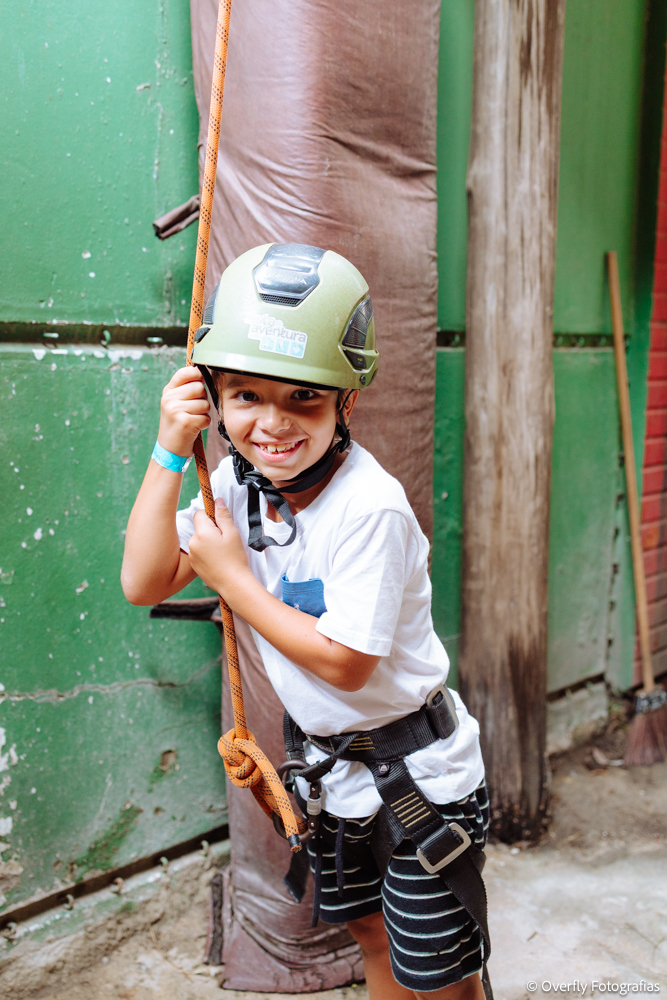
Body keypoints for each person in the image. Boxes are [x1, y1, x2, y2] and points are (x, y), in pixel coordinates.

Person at [122, 243, 490, 1000]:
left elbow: (346, 664)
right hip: (334, 779)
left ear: (344, 404)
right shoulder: (238, 486)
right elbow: (144, 580)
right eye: (246, 396)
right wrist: (169, 448)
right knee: (371, 937)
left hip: (420, 781)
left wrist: (232, 580)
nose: (272, 424)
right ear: (216, 398)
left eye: (303, 399)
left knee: (440, 977)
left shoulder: (370, 509)